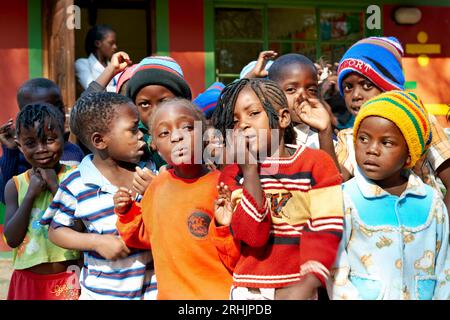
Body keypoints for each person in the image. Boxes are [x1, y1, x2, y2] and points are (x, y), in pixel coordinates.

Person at [211, 78, 344, 300]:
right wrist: (251, 172)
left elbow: (328, 227)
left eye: (253, 113)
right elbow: (254, 236)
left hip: (302, 288)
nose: (243, 125)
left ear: (282, 118)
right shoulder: (234, 173)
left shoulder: (315, 163)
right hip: (250, 291)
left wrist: (308, 284)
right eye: (235, 121)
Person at [327, 91, 450, 300]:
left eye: (387, 143)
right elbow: (336, 270)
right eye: (363, 139)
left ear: (410, 154)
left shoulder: (431, 203)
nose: (372, 150)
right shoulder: (345, 199)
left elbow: (444, 270)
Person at [114, 98, 234, 299]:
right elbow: (147, 236)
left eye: (187, 127)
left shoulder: (222, 186)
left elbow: (238, 255)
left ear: (206, 137)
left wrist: (223, 227)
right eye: (164, 133)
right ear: (156, 148)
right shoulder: (156, 187)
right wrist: (127, 212)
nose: (177, 137)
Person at [40, 92, 155, 300]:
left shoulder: (149, 172)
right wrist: (96, 242)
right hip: (101, 294)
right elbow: (55, 231)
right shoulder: (77, 182)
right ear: (99, 140)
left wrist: (156, 190)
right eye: (133, 129)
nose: (141, 135)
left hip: (153, 291)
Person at [335, 36, 450, 211]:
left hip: (425, 222)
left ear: (389, 86)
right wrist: (324, 131)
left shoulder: (423, 122)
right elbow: (334, 182)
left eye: (366, 85)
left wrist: (443, 228)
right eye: (348, 87)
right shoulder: (349, 137)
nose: (355, 95)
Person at [3, 103, 80, 300]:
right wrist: (30, 195)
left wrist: (56, 188)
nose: (41, 149)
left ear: (64, 138)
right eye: (30, 143)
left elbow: (81, 227)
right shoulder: (15, 186)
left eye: (49, 140)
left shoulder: (76, 177)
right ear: (20, 147)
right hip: (27, 282)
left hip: (68, 278)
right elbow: (12, 239)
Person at [0, 78, 84, 204]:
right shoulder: (23, 156)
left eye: (59, 105)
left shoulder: (74, 151)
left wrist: (55, 186)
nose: (59, 112)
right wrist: (11, 152)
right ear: (26, 113)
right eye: (46, 107)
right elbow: (6, 199)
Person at [125, 56, 193, 171]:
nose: (156, 112)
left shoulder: (194, 132)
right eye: (145, 104)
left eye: (164, 102)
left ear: (182, 102)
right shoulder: (134, 138)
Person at [75, 25, 118, 92]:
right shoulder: (82, 64)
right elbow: (92, 89)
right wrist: (118, 89)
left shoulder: (115, 65)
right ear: (97, 43)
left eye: (115, 43)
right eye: (111, 43)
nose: (115, 47)